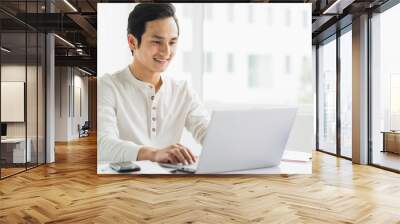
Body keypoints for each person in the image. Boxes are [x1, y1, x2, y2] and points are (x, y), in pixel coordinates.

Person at [98, 3, 209, 165]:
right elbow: (102, 145)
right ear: (132, 42)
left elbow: (208, 133)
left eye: (172, 42)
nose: (166, 52)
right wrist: (153, 153)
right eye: (157, 42)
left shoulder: (183, 91)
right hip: (123, 184)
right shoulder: (108, 86)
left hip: (170, 185)